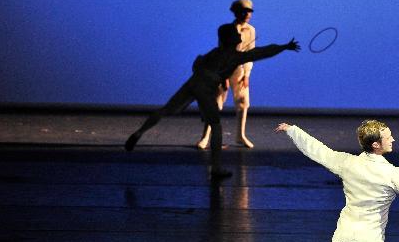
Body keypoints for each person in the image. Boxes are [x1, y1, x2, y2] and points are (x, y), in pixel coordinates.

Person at [125, 25, 299, 179]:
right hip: (205, 88)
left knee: (166, 110)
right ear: (231, 39)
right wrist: (284, 46)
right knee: (216, 125)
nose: (239, 36)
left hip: (193, 83)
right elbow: (261, 52)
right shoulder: (234, 57)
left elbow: (198, 64)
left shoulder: (214, 53)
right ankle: (216, 169)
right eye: (235, 34)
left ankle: (139, 133)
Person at [197, 0, 258, 150]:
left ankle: (240, 135)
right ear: (236, 13)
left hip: (240, 70)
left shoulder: (251, 30)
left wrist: (247, 74)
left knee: (243, 102)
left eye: (249, 12)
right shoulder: (226, 29)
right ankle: (205, 137)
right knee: (216, 103)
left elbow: (250, 53)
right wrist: (223, 76)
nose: (247, 14)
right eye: (244, 11)